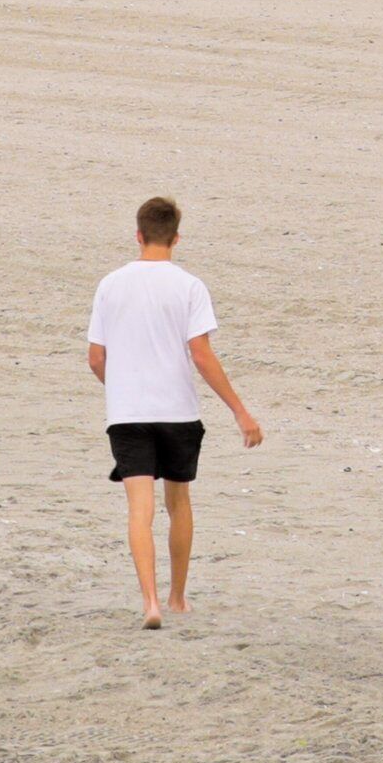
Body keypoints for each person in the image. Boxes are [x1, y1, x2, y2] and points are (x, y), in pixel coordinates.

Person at [85, 196, 261, 628]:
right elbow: (200, 354)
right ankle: (178, 596)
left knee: (138, 509)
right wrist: (240, 411)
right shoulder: (189, 286)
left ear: (138, 236)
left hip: (128, 414)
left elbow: (95, 357)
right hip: (178, 412)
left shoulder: (110, 284)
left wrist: (123, 389)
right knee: (178, 503)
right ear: (176, 238)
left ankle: (150, 604)